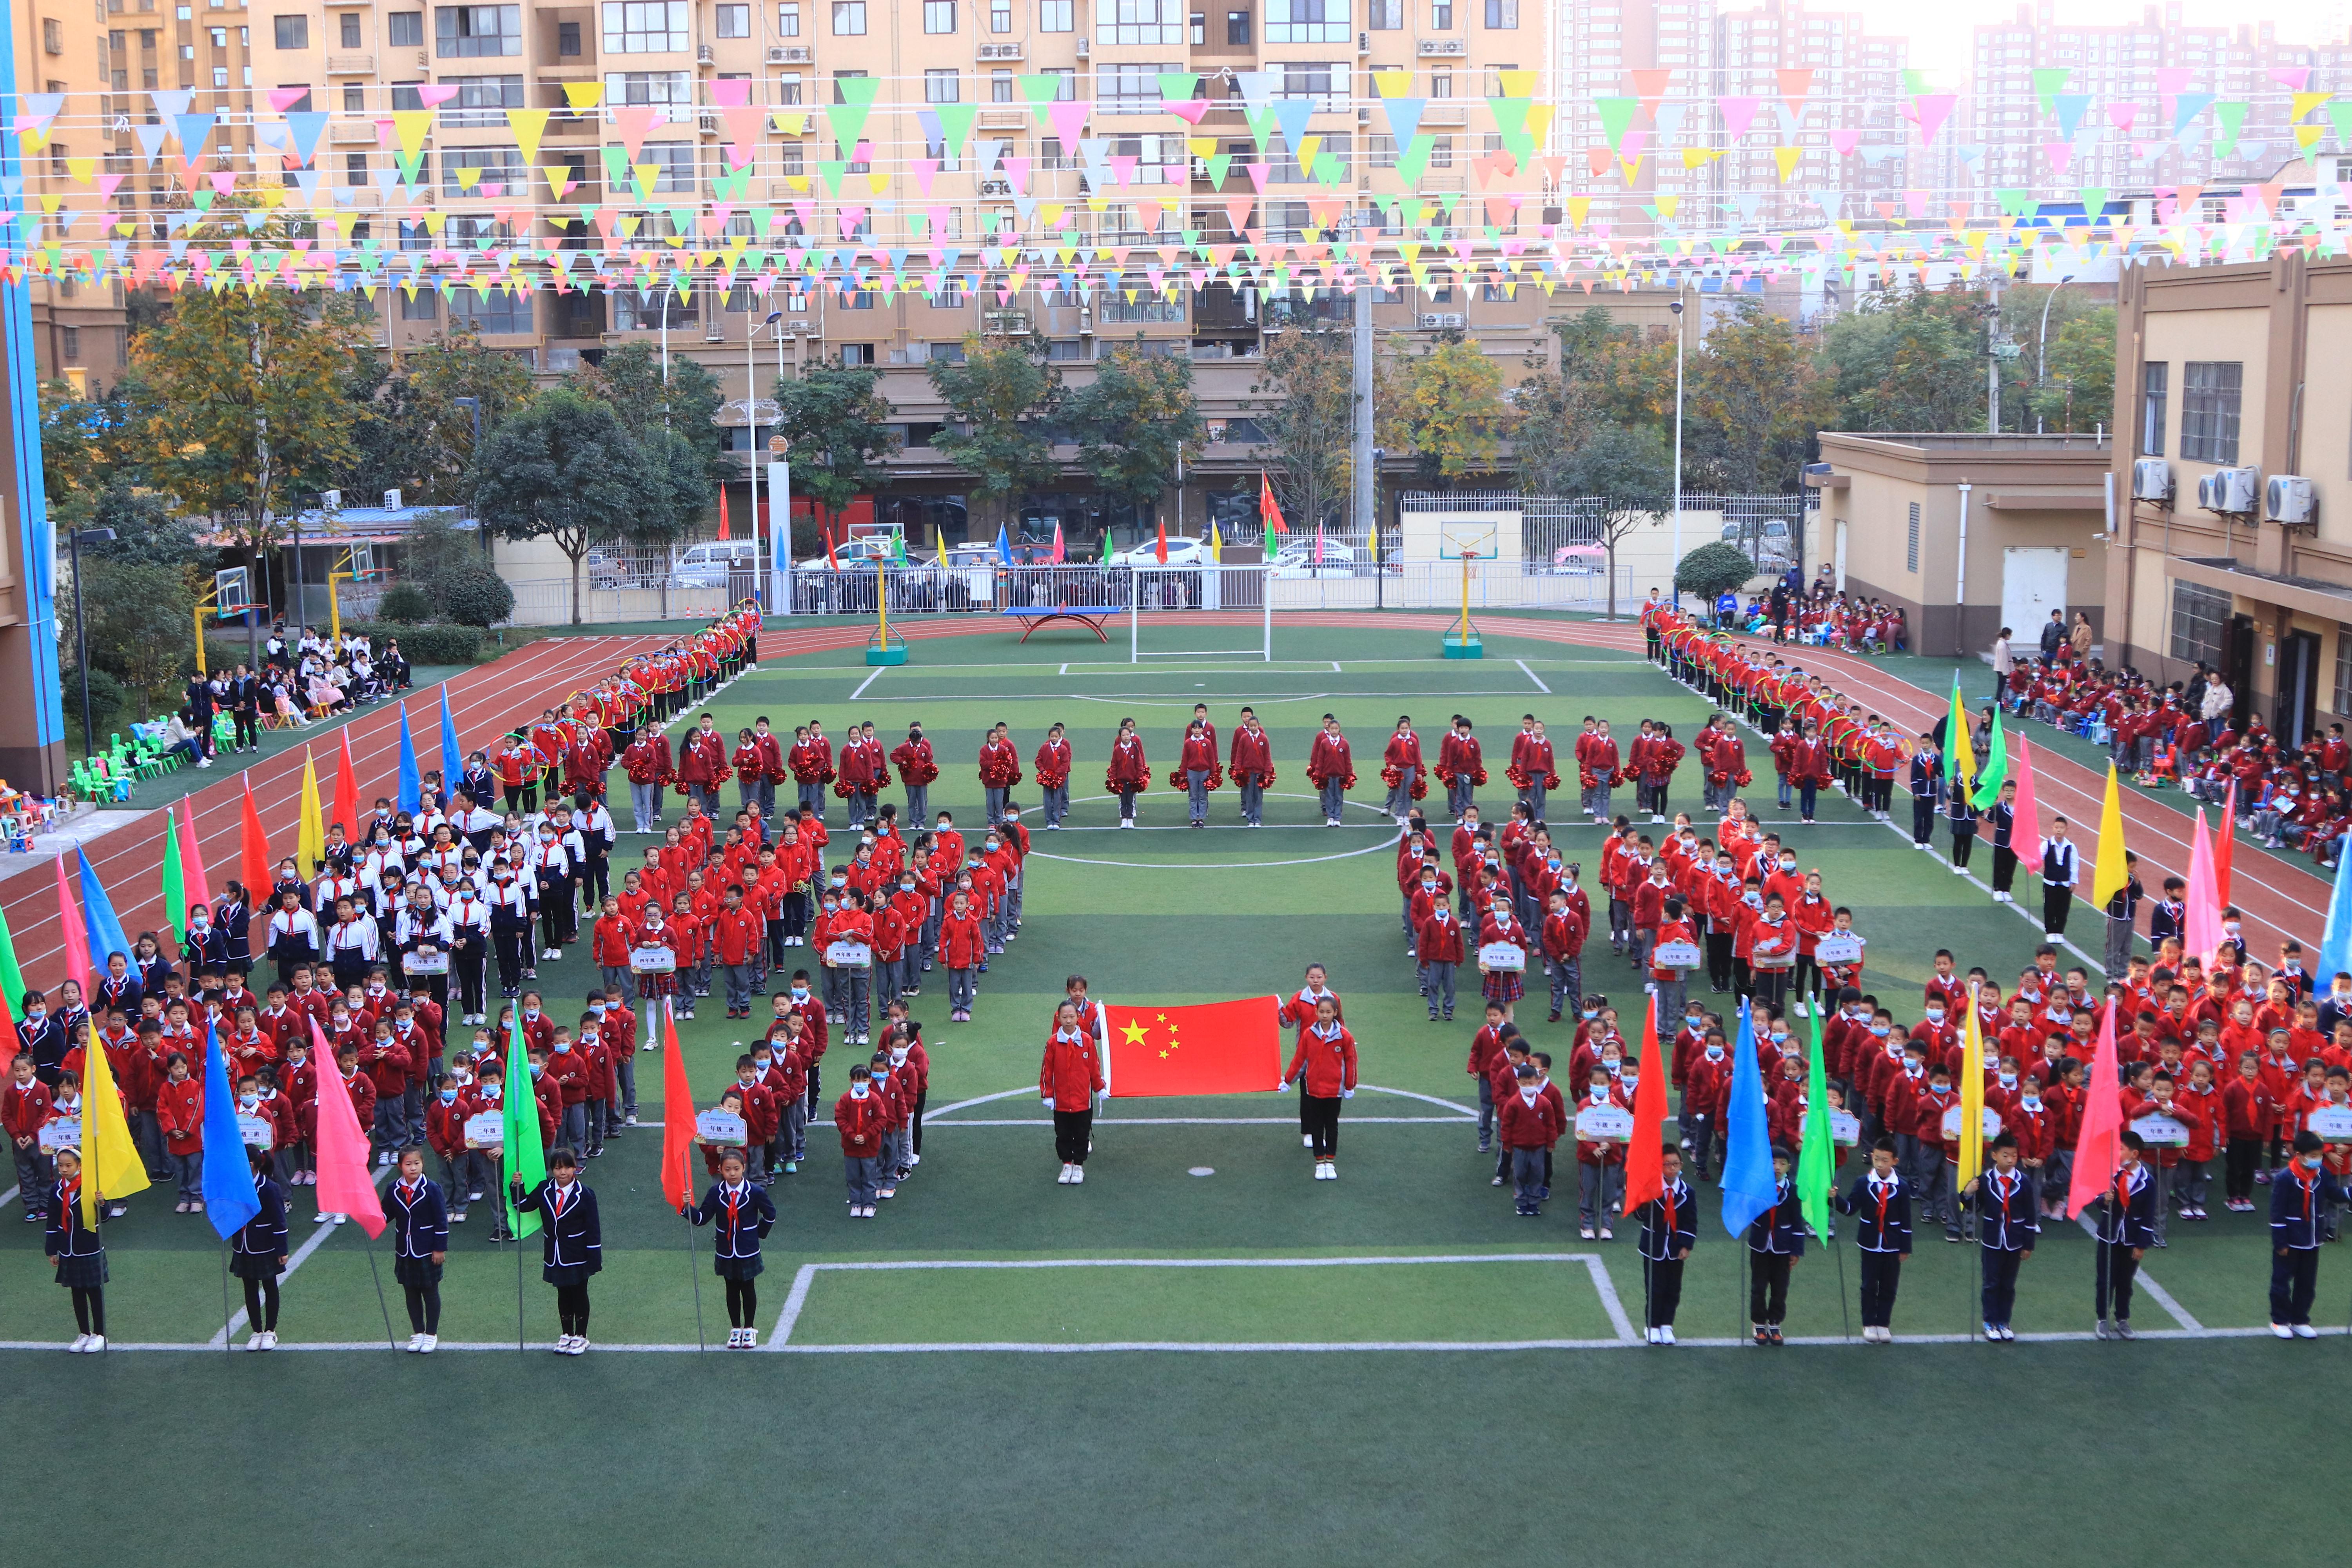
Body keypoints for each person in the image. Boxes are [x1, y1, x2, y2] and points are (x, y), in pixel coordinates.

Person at [684, 1146, 777, 1348]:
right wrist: (686, 1208)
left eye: (736, 1168)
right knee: (731, 1289)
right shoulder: (716, 1193)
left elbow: (771, 1214)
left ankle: (750, 1329)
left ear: (744, 1168)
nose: (732, 1173)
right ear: (720, 1170)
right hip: (726, 1251)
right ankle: (736, 1329)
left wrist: (759, 1234)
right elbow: (702, 1219)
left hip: (748, 1250)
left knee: (748, 1288)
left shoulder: (755, 1192)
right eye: (728, 1169)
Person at [510, 1146, 601, 1353]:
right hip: (555, 1254)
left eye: (568, 1168)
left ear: (574, 1169)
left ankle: (582, 1336)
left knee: (579, 1294)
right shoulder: (544, 1189)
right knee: (563, 1294)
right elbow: (523, 1205)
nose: (563, 1173)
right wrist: (518, 1185)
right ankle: (567, 1333)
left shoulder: (586, 1195)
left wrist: (594, 1258)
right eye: (558, 1168)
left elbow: (593, 1229)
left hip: (578, 1255)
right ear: (552, 1170)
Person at [2269, 1129, 2349, 1339]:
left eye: (2320, 1155)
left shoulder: (2322, 1174)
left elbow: (2336, 1194)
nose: (2318, 1160)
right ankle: (2279, 1321)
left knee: (2307, 1283)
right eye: (2313, 1156)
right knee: (2282, 1282)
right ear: (2299, 1156)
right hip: (2290, 1240)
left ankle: (2300, 1319)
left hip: (2313, 1240)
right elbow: (2277, 1214)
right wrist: (2281, 1243)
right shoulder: (2286, 1178)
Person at [1835, 1137, 1912, 1344]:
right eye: (1877, 1159)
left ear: (1895, 1161)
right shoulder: (1863, 1183)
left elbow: (1906, 1220)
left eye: (1885, 1160)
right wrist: (1833, 1199)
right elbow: (1850, 1209)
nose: (1880, 1164)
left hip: (1892, 1245)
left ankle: (1883, 1324)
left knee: (1889, 1286)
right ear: (1872, 1157)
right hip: (1869, 1243)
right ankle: (1869, 1323)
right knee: (1869, 1284)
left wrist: (1905, 1247)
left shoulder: (1902, 1187)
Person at [1965, 1131, 2038, 1342]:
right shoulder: (1985, 1180)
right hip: (1992, 1240)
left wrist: (2028, 1244)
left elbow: (2030, 1215)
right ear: (1995, 1156)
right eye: (2005, 1155)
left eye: (2014, 1156)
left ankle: (2004, 1321)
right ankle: (1989, 1321)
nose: (2010, 1160)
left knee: (2008, 1284)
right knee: (1991, 1282)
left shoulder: (2023, 1182)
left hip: (2014, 1241)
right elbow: (1972, 1206)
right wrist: (1968, 1192)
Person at [2091, 1129, 2158, 1340]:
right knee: (2105, 1280)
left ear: (2135, 1154)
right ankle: (2102, 1318)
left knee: (2126, 1281)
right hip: (2109, 1235)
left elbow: (2149, 1216)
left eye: (2120, 1149)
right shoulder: (2109, 1173)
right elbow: (2096, 1199)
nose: (2116, 1152)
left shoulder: (2148, 1182)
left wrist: (2142, 1245)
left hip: (2131, 1239)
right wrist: (2105, 1199)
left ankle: (2122, 1319)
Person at [1282, 996, 1357, 1180]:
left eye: (1329, 1012)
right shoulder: (1309, 1034)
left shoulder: (1344, 1036)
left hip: (1334, 1090)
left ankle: (1330, 1163)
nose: (1325, 1015)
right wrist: (1288, 1081)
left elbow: (1351, 1062)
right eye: (1322, 1012)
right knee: (1316, 1127)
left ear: (1336, 1013)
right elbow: (1300, 1060)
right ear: (1316, 1012)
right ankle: (1319, 1164)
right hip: (1314, 1089)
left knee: (1332, 1126)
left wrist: (1349, 1086)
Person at [47, 1147, 110, 1350]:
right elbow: (52, 1221)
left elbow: (106, 1217)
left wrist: (102, 1203)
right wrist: (52, 1249)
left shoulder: (91, 1187)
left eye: (68, 1165)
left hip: (89, 1247)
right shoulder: (56, 1190)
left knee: (94, 1291)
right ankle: (84, 1332)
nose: (64, 1170)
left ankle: (100, 1333)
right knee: (77, 1293)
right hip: (68, 1249)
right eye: (61, 1165)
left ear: (79, 1166)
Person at [388, 1145, 449, 1353]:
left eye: (417, 1163)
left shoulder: (432, 1188)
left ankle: (431, 1334)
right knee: (410, 1292)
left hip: (427, 1250)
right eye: (408, 1164)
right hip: (405, 1250)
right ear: (400, 1166)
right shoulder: (393, 1189)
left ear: (423, 1164)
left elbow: (441, 1220)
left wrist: (439, 1248)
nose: (413, 1168)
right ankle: (418, 1332)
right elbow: (386, 1214)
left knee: (430, 1292)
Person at [1634, 1145, 1696, 1343]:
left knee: (1673, 1288)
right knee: (1655, 1287)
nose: (1672, 1168)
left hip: (1676, 1247)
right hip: (1654, 1245)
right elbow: (1640, 1216)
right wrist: (1644, 1200)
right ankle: (1652, 1326)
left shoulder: (1688, 1192)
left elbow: (1690, 1221)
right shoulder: (1652, 1188)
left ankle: (1667, 1325)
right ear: (1659, 1166)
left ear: (1681, 1165)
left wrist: (1686, 1245)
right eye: (1667, 1165)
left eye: (1676, 1164)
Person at [230, 1144, 289, 1349]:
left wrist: (282, 1250)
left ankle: (271, 1331)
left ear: (252, 1164)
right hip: (243, 1246)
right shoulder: (236, 1185)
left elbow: (279, 1221)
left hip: (265, 1246)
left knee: (270, 1286)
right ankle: (256, 1331)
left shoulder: (270, 1188)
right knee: (249, 1288)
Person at [1042, 1000, 1105, 1185]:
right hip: (1061, 1101)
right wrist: (1047, 1093)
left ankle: (1078, 1166)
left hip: (1083, 1101)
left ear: (1078, 1017)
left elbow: (1094, 1067)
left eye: (1072, 1017)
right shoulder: (1053, 1043)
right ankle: (1066, 1164)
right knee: (1063, 1134)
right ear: (1058, 1019)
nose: (1068, 1021)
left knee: (1081, 1134)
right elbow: (1047, 1069)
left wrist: (1099, 1087)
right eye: (1064, 1017)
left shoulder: (1087, 1041)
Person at [1746, 1145, 1805, 1346]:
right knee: (1758, 1286)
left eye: (1782, 1164)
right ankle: (1759, 1322)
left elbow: (1798, 1223)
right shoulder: (1758, 1187)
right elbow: (1748, 1209)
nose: (1777, 1167)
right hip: (1760, 1245)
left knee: (1780, 1287)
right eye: (1772, 1163)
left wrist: (1797, 1250)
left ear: (1789, 1167)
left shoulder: (1794, 1191)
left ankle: (1775, 1322)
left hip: (1783, 1247)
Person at [836, 1062, 888, 1217]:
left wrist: (866, 1136)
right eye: (857, 1081)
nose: (861, 1084)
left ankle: (870, 1204)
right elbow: (840, 1119)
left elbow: (881, 1120)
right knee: (853, 1177)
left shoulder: (875, 1099)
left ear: (870, 1081)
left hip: (870, 1147)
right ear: (851, 1081)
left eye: (865, 1080)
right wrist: (852, 1136)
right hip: (850, 1147)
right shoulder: (845, 1099)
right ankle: (856, 1203)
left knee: (869, 1177)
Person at [2039, 816, 2081, 940]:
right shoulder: (2047, 844)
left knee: (2063, 909)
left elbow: (2075, 864)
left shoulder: (2071, 847)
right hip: (2050, 882)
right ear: (2053, 828)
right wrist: (2032, 865)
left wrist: (2074, 881)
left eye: (2062, 828)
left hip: (2065, 883)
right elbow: (2039, 857)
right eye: (2057, 828)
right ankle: (2050, 932)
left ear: (2066, 830)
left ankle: (2059, 932)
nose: (2059, 830)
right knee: (2050, 907)